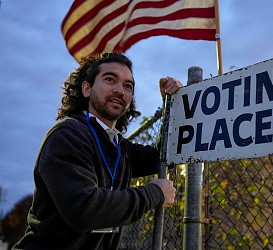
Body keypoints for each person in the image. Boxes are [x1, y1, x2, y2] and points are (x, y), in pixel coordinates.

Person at [13, 52, 182, 249]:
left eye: (128, 86)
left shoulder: (120, 146)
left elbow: (161, 157)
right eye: (110, 79)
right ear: (87, 88)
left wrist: (173, 106)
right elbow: (84, 209)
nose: (120, 90)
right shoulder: (67, 134)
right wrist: (154, 193)